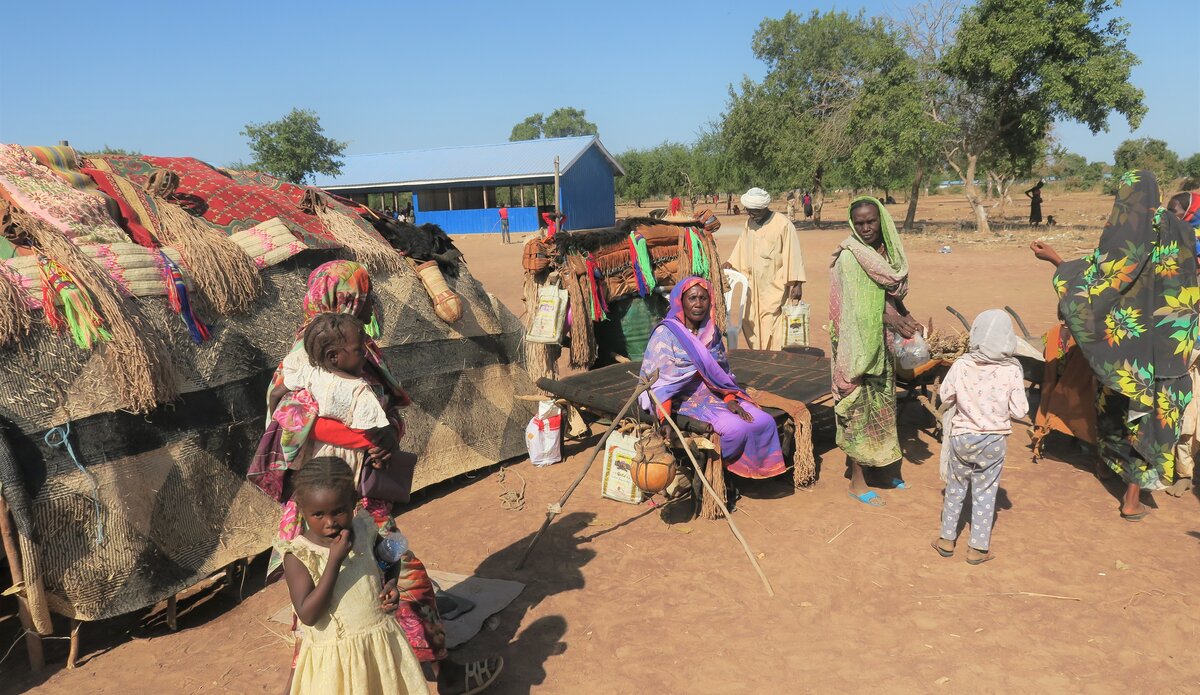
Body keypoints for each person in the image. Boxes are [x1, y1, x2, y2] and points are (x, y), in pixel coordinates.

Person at [249, 260, 499, 693]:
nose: (369, 305)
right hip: (335, 500)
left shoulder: (354, 347)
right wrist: (365, 441)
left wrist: (382, 438)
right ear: (346, 298)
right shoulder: (309, 355)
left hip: (363, 495)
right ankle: (441, 676)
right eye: (363, 296)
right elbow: (296, 421)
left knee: (363, 589)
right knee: (398, 578)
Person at [1030, 171, 1198, 520]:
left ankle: (1108, 469)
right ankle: (1131, 497)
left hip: (1127, 346)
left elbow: (1101, 280)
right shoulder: (1182, 233)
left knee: (1114, 403)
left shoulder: (1124, 234)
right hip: (1168, 345)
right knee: (1148, 417)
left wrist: (1057, 261)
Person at [279, 456, 432, 695]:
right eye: (318, 515)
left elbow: (389, 558)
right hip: (336, 661)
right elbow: (308, 615)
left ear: (354, 503)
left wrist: (391, 583)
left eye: (338, 512)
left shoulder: (363, 528)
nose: (330, 523)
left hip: (379, 646)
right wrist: (334, 561)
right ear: (302, 510)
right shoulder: (299, 555)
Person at [639, 276, 787, 484]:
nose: (698, 304)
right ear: (681, 301)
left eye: (703, 298)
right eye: (692, 298)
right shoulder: (666, 334)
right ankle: (711, 470)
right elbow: (661, 385)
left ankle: (746, 469)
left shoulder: (711, 331)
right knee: (734, 430)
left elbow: (721, 373)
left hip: (713, 392)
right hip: (682, 398)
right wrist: (665, 420)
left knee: (765, 421)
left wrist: (729, 399)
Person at [830, 197, 921, 506]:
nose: (865, 227)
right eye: (859, 222)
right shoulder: (851, 257)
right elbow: (856, 310)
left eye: (870, 221)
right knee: (859, 412)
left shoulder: (883, 256)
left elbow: (887, 296)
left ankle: (882, 469)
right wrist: (890, 319)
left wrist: (904, 316)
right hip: (858, 348)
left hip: (882, 345)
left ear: (881, 222)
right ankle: (857, 481)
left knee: (882, 410)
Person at [932, 310, 1029, 565]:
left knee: (955, 488)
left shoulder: (961, 364)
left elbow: (946, 396)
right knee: (986, 493)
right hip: (994, 441)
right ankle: (977, 549)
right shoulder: (1012, 370)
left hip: (961, 437)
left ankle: (946, 539)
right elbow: (1020, 410)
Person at [723, 187, 806, 350]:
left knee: (771, 324)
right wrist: (731, 263)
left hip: (774, 286)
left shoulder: (783, 225)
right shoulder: (750, 223)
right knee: (749, 321)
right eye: (748, 211)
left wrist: (797, 284)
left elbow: (794, 253)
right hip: (752, 286)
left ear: (764, 208)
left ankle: (772, 358)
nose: (751, 214)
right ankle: (759, 355)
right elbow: (741, 247)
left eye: (754, 211)